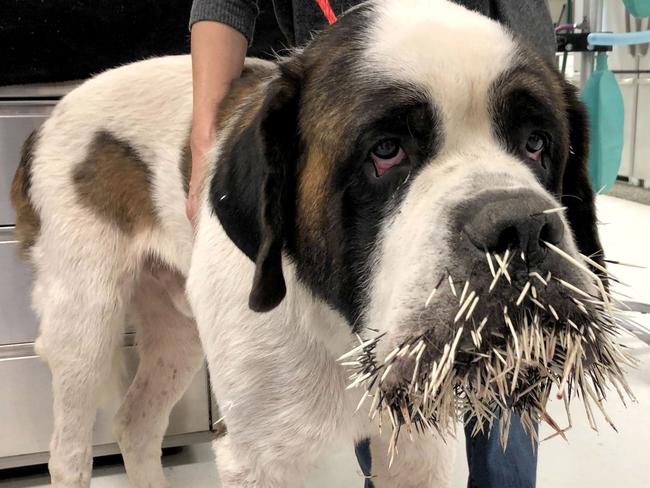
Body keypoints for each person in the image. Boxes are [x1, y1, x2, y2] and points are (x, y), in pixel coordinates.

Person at [188, 1, 554, 487]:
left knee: (503, 402)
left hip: (501, 49)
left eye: (534, 146)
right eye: (388, 151)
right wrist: (204, 142)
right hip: (341, 83)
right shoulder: (308, 119)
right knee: (393, 410)